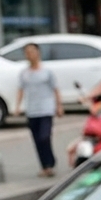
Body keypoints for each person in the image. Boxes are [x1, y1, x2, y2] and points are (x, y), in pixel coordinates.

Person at [13, 42, 64, 177]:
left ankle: (50, 162)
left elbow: (55, 89)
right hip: (32, 110)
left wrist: (59, 106)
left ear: (38, 53)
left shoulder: (47, 72)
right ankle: (45, 166)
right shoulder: (24, 73)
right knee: (37, 139)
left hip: (46, 109)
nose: (30, 54)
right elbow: (20, 90)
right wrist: (17, 106)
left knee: (44, 137)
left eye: (32, 51)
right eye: (27, 52)